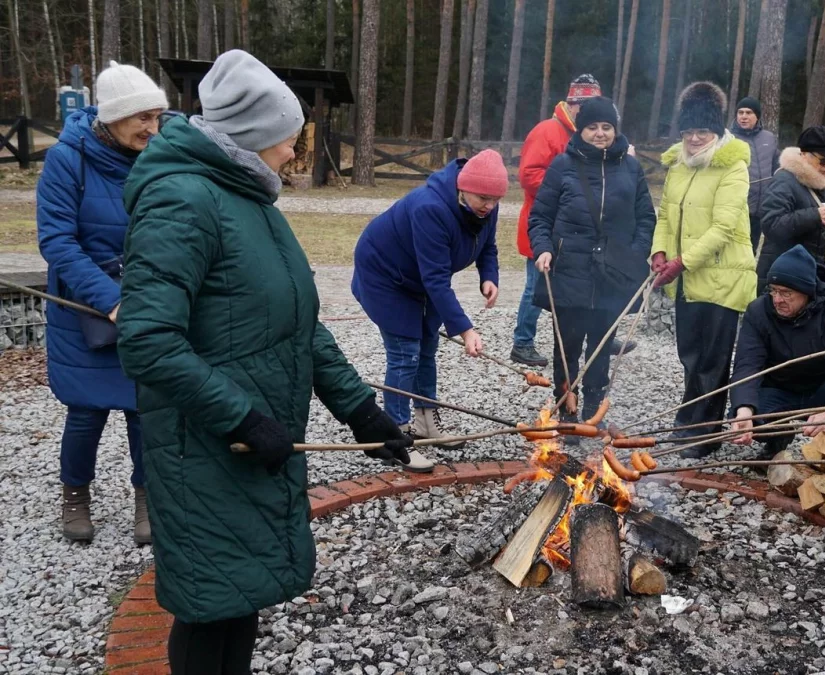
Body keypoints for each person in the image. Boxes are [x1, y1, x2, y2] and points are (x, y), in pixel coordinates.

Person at [117, 50, 414, 674]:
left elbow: (297, 327)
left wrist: (360, 410)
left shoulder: (250, 202)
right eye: (289, 136)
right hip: (205, 447)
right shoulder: (182, 202)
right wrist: (243, 419)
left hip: (249, 446)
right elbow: (146, 339)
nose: (294, 151)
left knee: (238, 594)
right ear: (253, 134)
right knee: (209, 604)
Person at [36, 61, 168, 544]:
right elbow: (57, 242)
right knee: (86, 410)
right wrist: (110, 301)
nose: (152, 128)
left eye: (157, 116)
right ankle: (76, 496)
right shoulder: (67, 159)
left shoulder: (160, 155)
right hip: (85, 306)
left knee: (144, 408)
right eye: (142, 119)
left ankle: (147, 499)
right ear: (112, 117)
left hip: (146, 299)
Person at [352, 149, 507, 460]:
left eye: (494, 199)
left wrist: (488, 277)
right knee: (405, 352)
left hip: (420, 279)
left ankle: (426, 420)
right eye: (482, 198)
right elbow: (436, 279)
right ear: (463, 187)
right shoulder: (431, 208)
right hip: (387, 276)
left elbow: (487, 245)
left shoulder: (486, 207)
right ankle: (396, 432)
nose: (489, 206)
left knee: (427, 346)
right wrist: (466, 330)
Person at [527, 97, 655, 437]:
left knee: (601, 344)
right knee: (567, 346)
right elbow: (540, 217)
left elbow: (646, 217)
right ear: (581, 130)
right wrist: (543, 248)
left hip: (613, 273)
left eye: (606, 127)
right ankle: (566, 407)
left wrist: (635, 252)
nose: (600, 133)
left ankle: (592, 407)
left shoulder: (631, 168)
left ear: (615, 130)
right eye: (593, 127)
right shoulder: (561, 165)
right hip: (569, 269)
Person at [651, 81, 758, 458]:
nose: (695, 139)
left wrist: (682, 262)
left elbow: (723, 227)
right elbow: (665, 214)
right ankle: (687, 421)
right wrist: (660, 251)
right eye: (689, 132)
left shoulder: (733, 166)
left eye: (702, 131)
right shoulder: (677, 165)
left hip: (721, 276)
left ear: (715, 131)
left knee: (712, 358)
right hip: (686, 278)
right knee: (689, 353)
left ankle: (706, 430)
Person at [512, 75, 634, 366]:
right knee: (536, 286)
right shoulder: (547, 131)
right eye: (585, 107)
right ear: (572, 104)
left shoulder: (590, 134)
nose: (596, 124)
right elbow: (528, 176)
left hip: (583, 234)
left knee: (592, 282)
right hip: (545, 226)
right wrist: (568, 193)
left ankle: (601, 333)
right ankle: (522, 341)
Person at [729, 246, 825, 457]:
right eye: (773, 290)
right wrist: (743, 409)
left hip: (824, 385)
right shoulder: (758, 311)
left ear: (807, 292)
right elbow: (748, 363)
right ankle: (778, 436)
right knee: (750, 413)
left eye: (786, 293)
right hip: (780, 387)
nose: (777, 299)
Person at [757, 125, 825, 293]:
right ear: (804, 154)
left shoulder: (824, 182)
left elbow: (822, 223)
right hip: (783, 275)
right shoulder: (784, 180)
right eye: (824, 160)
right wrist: (814, 215)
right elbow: (772, 225)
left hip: (814, 271)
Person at [728, 96, 779, 252]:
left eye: (748, 112)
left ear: (757, 116)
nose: (743, 116)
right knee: (734, 252)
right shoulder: (728, 139)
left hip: (762, 209)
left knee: (751, 250)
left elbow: (777, 166)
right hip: (737, 208)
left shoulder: (769, 138)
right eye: (740, 112)